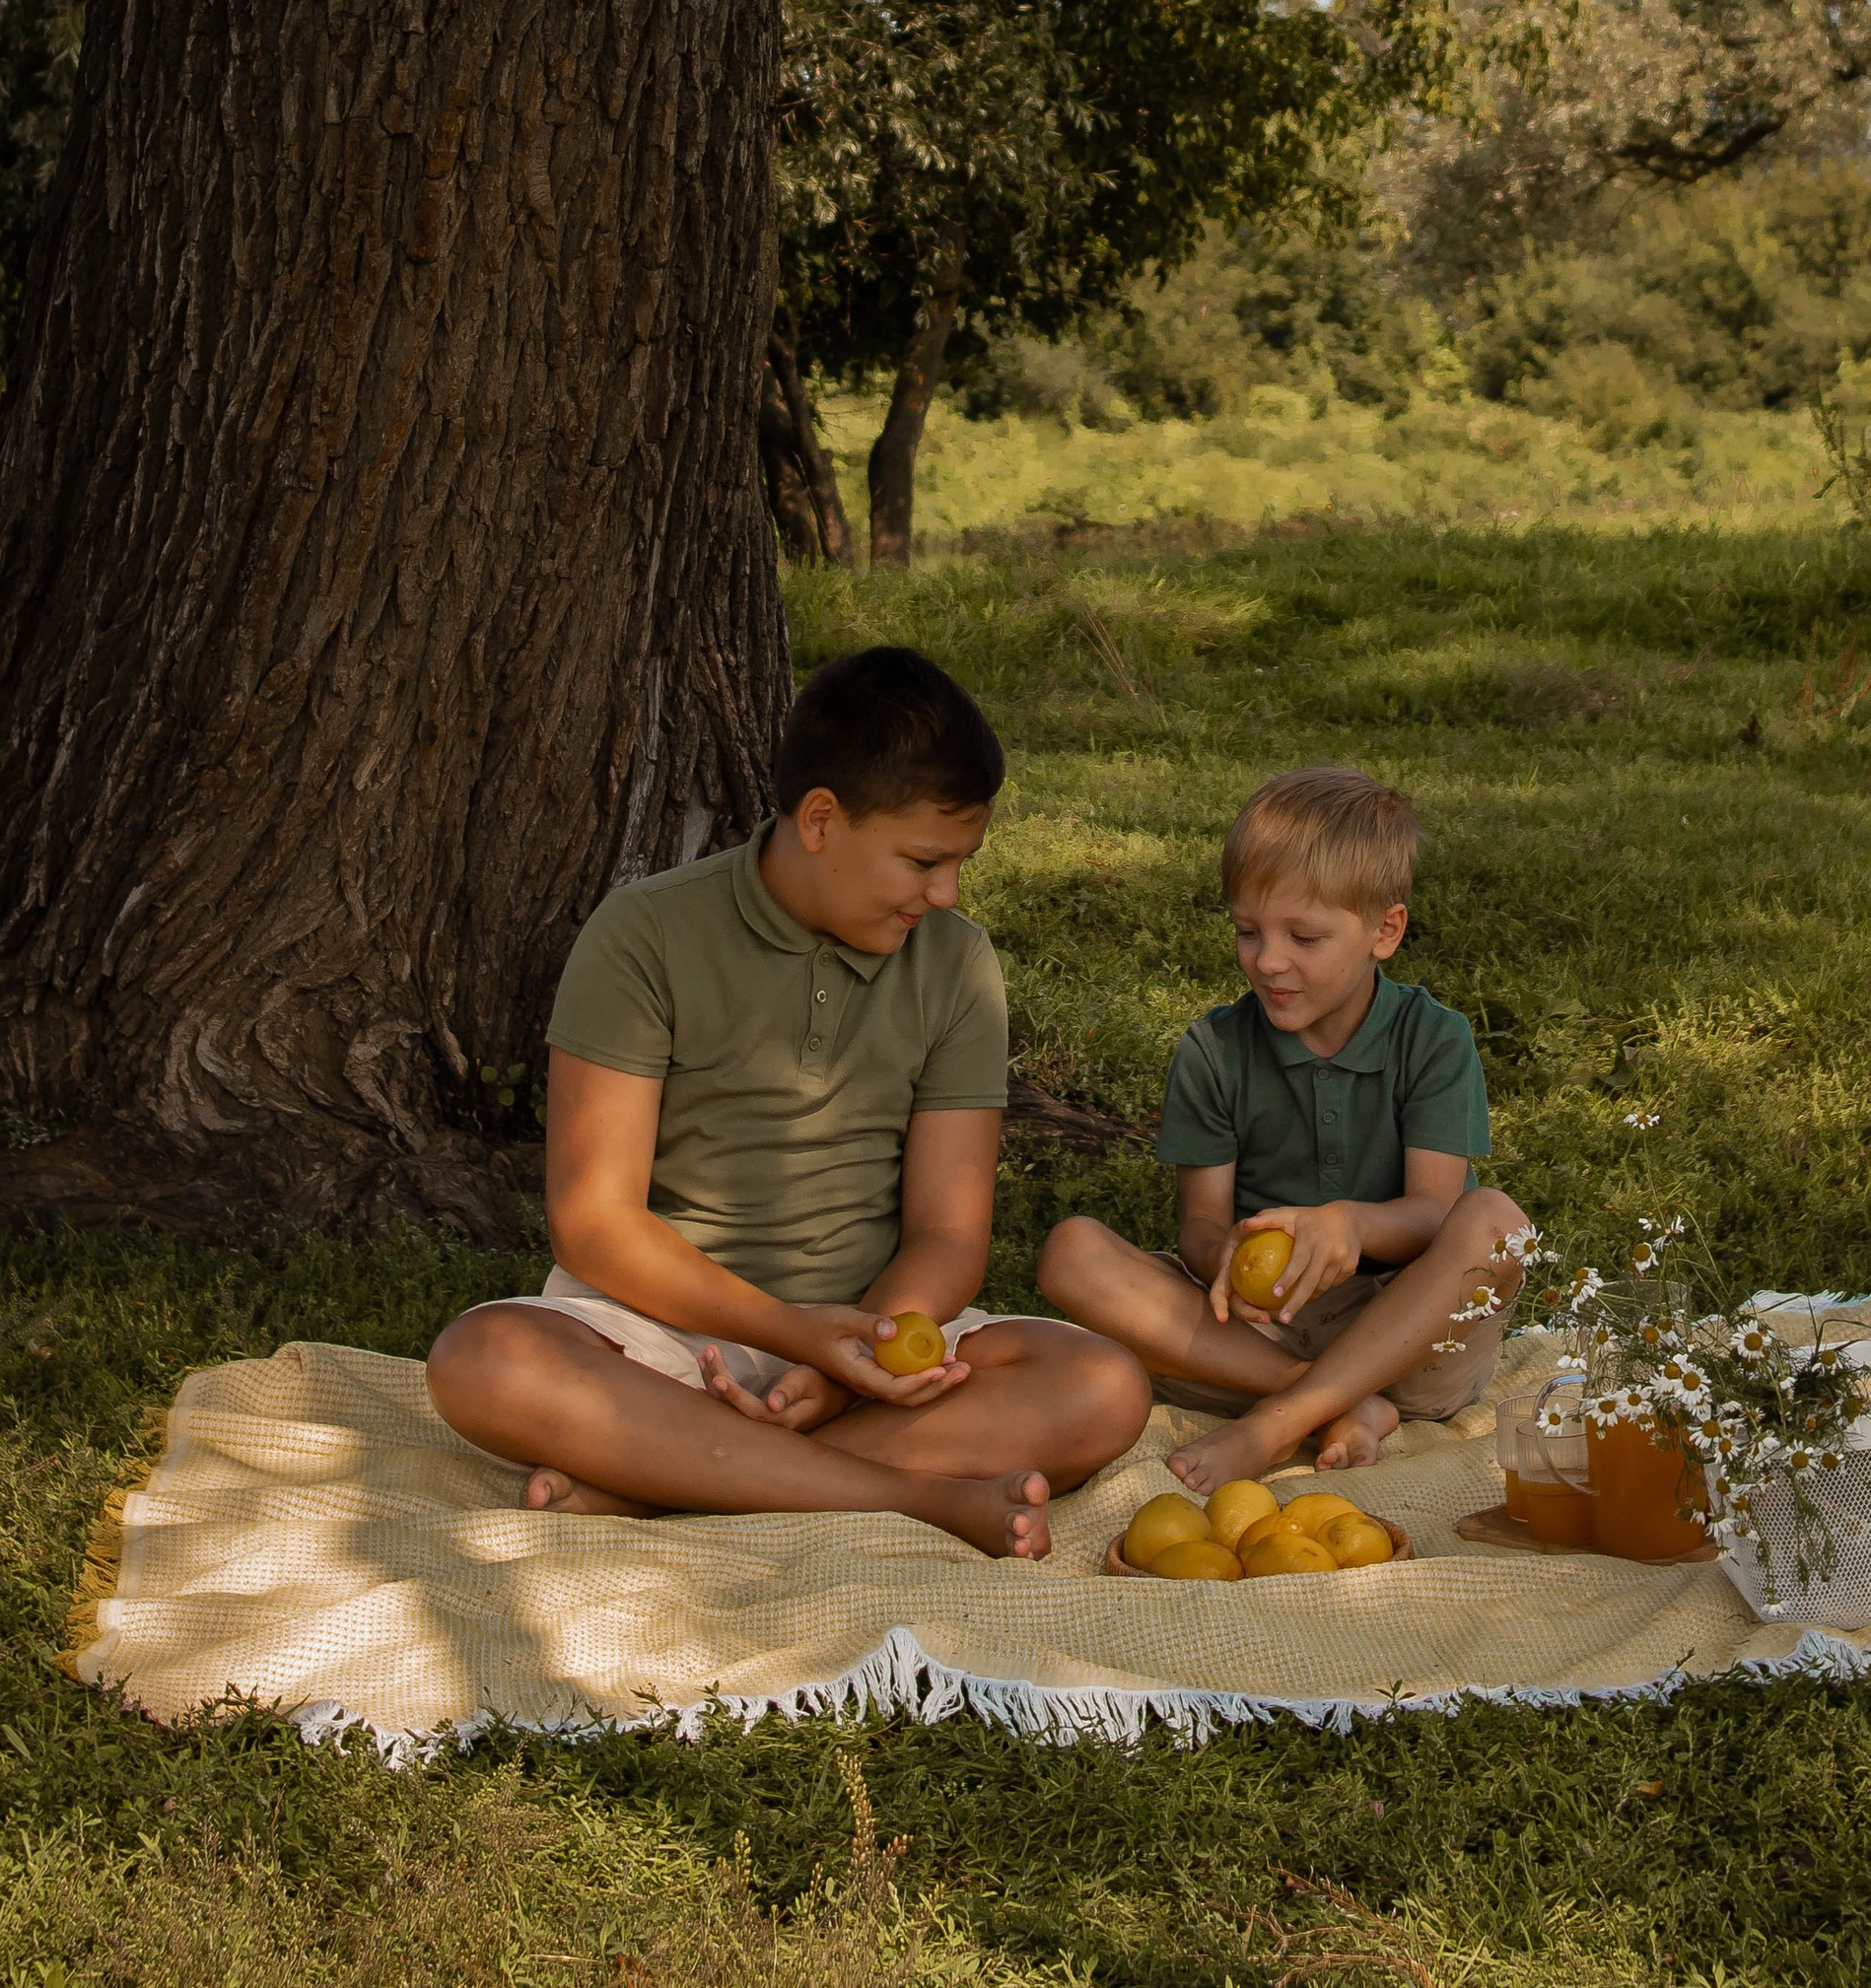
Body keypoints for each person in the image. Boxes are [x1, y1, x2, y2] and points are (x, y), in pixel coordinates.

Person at [426, 647, 1150, 1560]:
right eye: (923, 860)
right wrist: (794, 1336)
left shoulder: (957, 965)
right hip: (658, 1340)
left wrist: (861, 1363)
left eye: (960, 862)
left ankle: (668, 1482)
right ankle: (913, 1498)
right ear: (820, 820)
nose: (946, 893)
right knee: (484, 1359)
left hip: (872, 1338)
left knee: (1101, 1385)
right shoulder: (645, 934)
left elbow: (949, 1234)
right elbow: (592, 1223)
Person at [1036, 766, 1528, 1483]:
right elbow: (1199, 1229)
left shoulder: (1434, 1039)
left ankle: (1276, 1422)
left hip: (1409, 1329)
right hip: (1266, 1330)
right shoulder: (1215, 1050)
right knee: (1070, 1251)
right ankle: (1328, 1401)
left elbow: (1432, 1213)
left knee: (1495, 1221)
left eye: (1304, 936)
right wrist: (1226, 1254)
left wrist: (1351, 1227)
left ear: (1384, 930)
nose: (1268, 961)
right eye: (1247, 931)